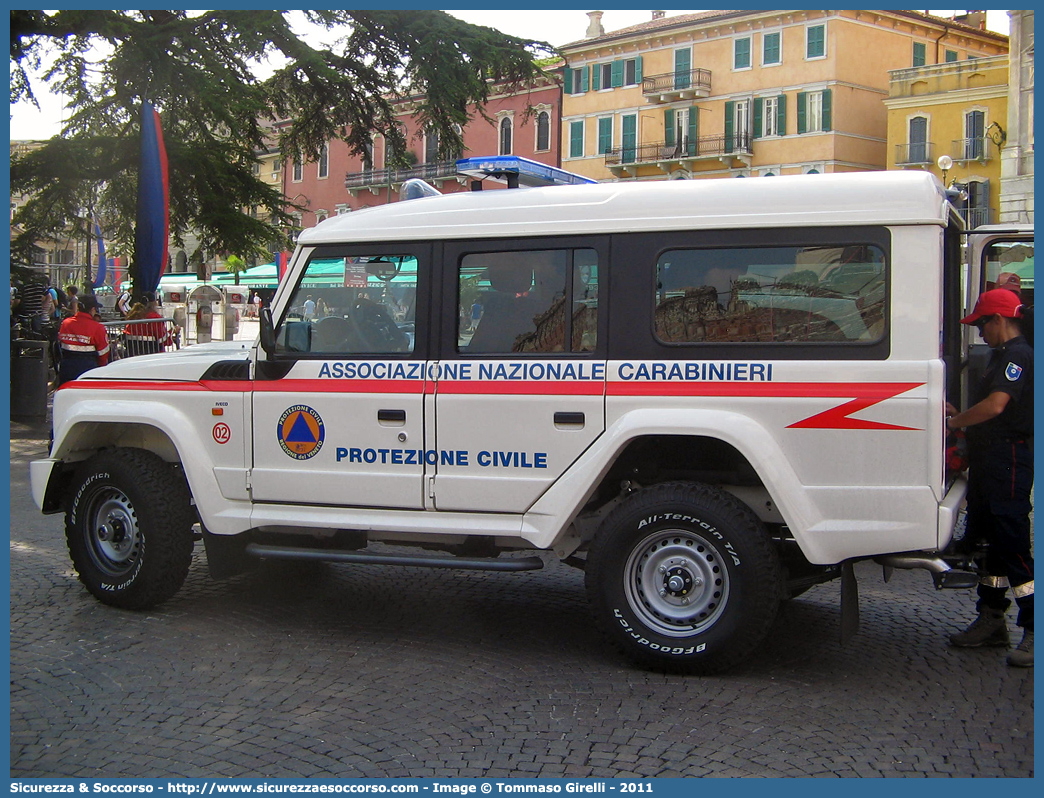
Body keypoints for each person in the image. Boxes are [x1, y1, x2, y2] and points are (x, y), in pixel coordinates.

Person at [946, 288, 1033, 667]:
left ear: (1000, 320)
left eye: (983, 323)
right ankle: (991, 619)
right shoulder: (1002, 356)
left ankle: (1033, 628)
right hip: (991, 461)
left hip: (1007, 461)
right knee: (987, 545)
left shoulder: (1018, 356)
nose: (980, 332)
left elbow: (997, 406)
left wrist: (955, 421)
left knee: (1012, 545)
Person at [57, 296, 110, 386]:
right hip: (88, 368)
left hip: (67, 367)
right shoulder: (97, 327)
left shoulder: (66, 323)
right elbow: (103, 353)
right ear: (92, 309)